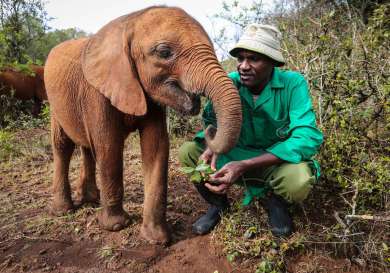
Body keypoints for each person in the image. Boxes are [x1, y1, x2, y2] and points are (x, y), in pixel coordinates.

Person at [179, 24, 323, 237]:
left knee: (298, 178)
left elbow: (307, 136)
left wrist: (246, 165)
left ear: (272, 62)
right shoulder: (229, 83)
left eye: (254, 59)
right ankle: (218, 204)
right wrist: (213, 146)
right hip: (234, 155)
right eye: (240, 59)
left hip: (274, 161)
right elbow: (211, 121)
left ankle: (276, 203)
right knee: (189, 152)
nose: (244, 66)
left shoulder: (293, 84)